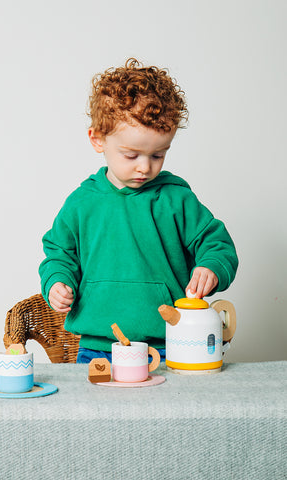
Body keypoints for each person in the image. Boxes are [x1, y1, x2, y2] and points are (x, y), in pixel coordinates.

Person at [39, 58, 238, 363]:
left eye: (158, 155)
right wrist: (57, 281)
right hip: (97, 347)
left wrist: (210, 267)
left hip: (170, 343)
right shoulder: (82, 203)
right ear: (98, 140)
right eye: (131, 155)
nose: (145, 167)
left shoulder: (175, 199)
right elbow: (59, 254)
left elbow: (217, 244)